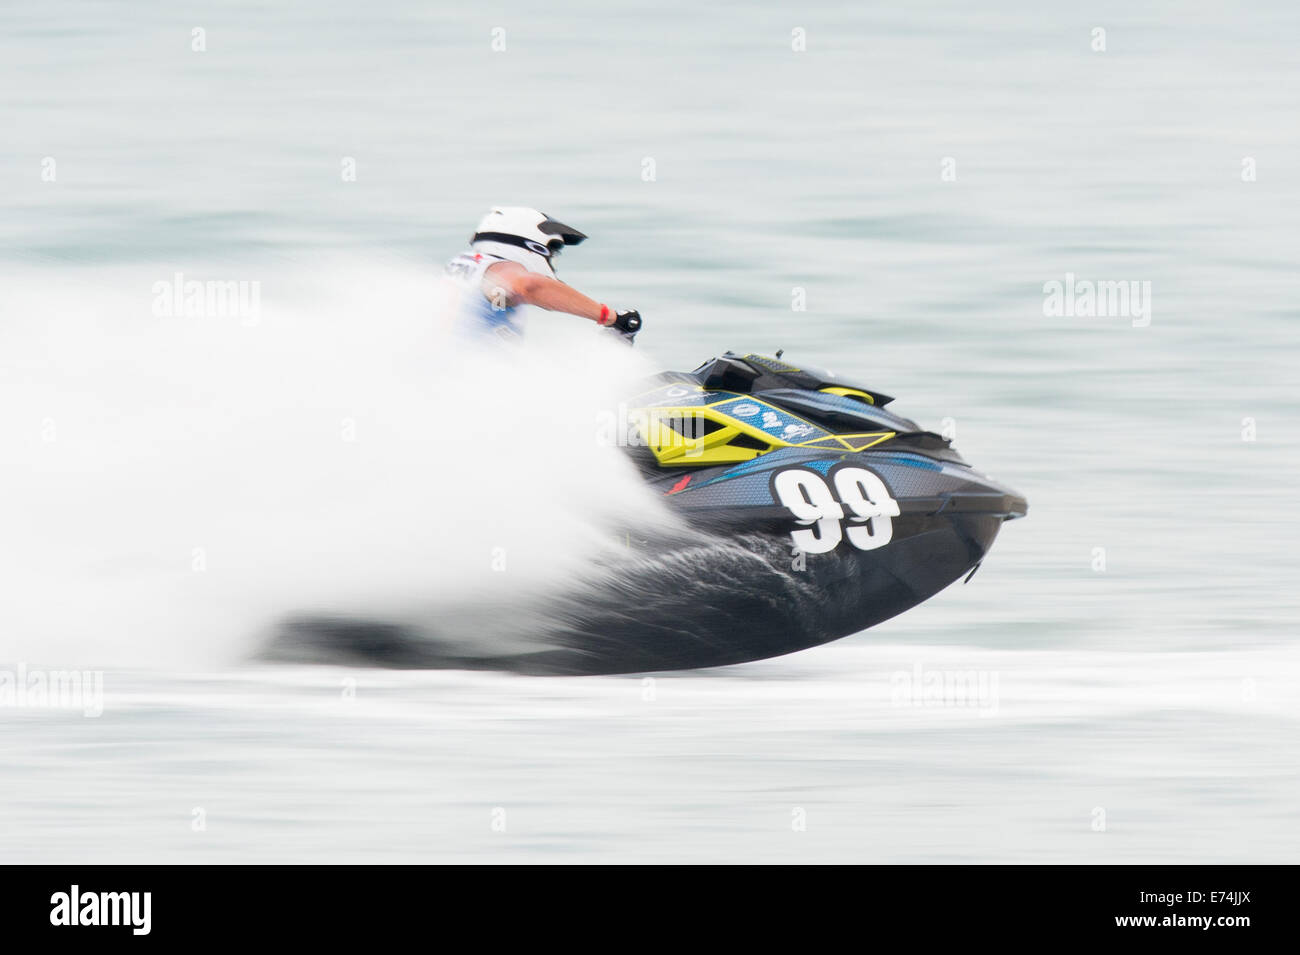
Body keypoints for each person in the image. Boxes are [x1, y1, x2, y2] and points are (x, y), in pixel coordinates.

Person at [443, 206, 642, 343]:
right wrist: (612, 318)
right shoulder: (499, 268)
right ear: (531, 245)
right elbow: (529, 286)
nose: (553, 261)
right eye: (553, 252)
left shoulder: (464, 265)